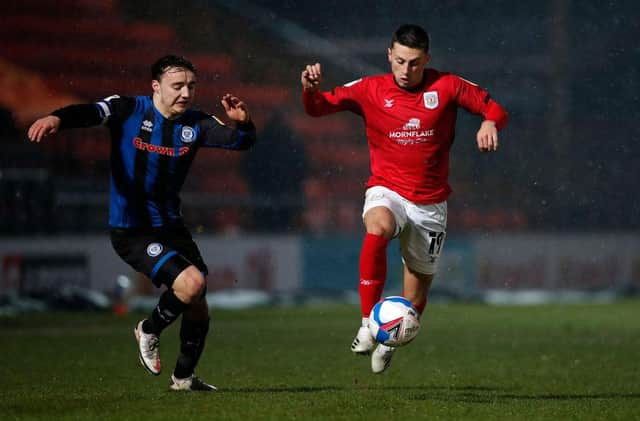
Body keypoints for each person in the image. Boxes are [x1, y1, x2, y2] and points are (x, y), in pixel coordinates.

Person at [28, 55, 256, 391]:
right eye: (177, 86)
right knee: (191, 284)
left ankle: (183, 379)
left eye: (191, 86)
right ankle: (148, 329)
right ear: (156, 86)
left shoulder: (195, 123)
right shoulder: (128, 109)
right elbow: (90, 112)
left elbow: (241, 142)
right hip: (131, 229)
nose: (185, 93)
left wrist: (245, 123)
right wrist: (57, 118)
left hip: (171, 226)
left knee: (198, 305)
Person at [301, 24, 508, 373]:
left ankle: (390, 339)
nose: (406, 70)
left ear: (426, 59)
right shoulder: (369, 89)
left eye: (414, 62)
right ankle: (368, 321)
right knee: (378, 228)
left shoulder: (448, 86)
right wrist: (309, 90)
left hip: (430, 203)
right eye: (399, 61)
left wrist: (489, 124)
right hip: (387, 188)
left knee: (415, 295)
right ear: (389, 56)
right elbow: (317, 109)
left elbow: (496, 110)